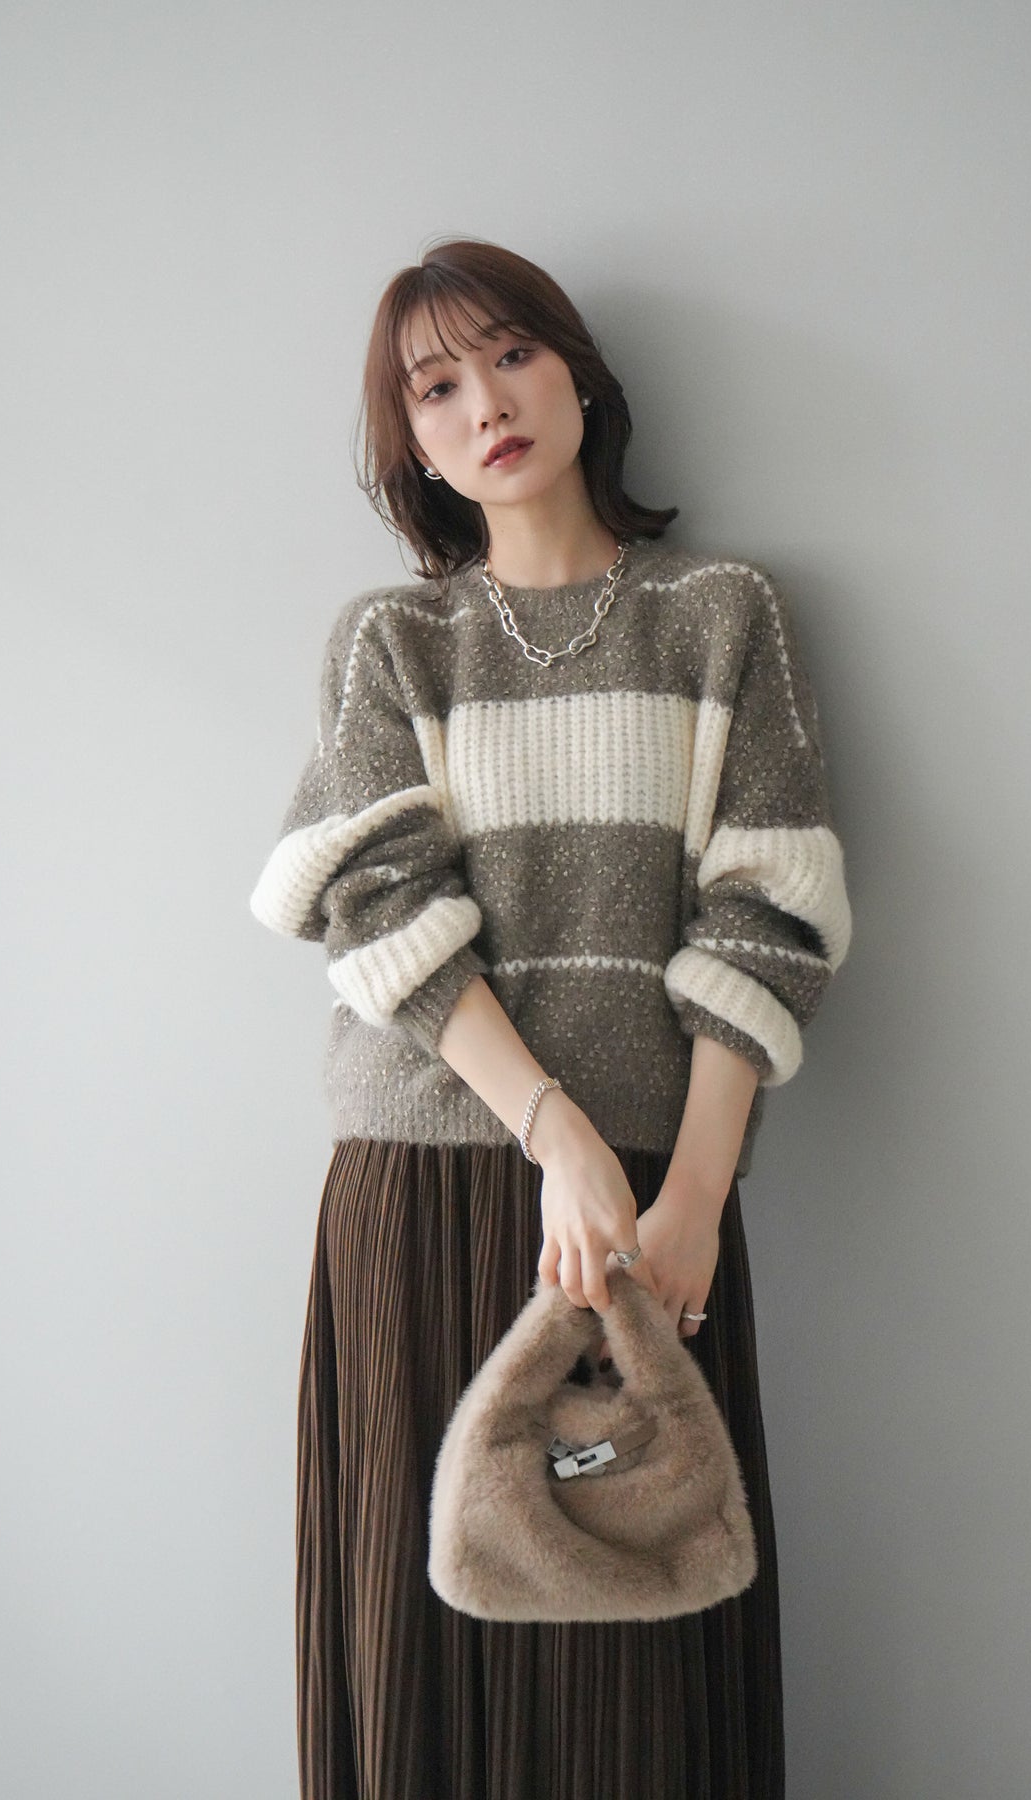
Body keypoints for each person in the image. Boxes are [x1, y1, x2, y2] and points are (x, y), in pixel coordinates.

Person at [249, 237, 852, 1800]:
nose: (486, 405)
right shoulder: (393, 643)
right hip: (423, 1188)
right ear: (410, 445)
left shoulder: (719, 615)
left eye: (511, 355)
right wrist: (554, 1133)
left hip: (658, 1210)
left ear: (578, 372)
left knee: (638, 1651)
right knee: (422, 1638)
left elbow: (769, 913)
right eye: (433, 388)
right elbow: (370, 905)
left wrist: (691, 1196)